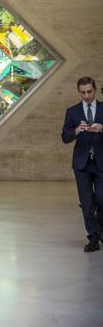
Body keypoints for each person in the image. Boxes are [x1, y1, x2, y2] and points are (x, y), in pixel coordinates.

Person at [62, 76, 103, 252]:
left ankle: (100, 229)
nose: (86, 95)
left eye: (89, 92)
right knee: (87, 203)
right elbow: (65, 137)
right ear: (79, 92)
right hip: (81, 164)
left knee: (101, 198)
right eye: (83, 92)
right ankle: (93, 238)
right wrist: (76, 130)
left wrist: (102, 128)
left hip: (101, 162)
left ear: (95, 90)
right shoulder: (72, 111)